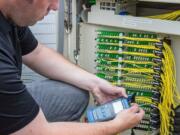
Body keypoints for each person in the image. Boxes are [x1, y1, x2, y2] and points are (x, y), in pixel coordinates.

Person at [0, 0, 145, 135]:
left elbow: (37, 53)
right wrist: (116, 125)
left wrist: (96, 83)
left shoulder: (10, 14)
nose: (56, 7)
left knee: (74, 93)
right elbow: (40, 132)